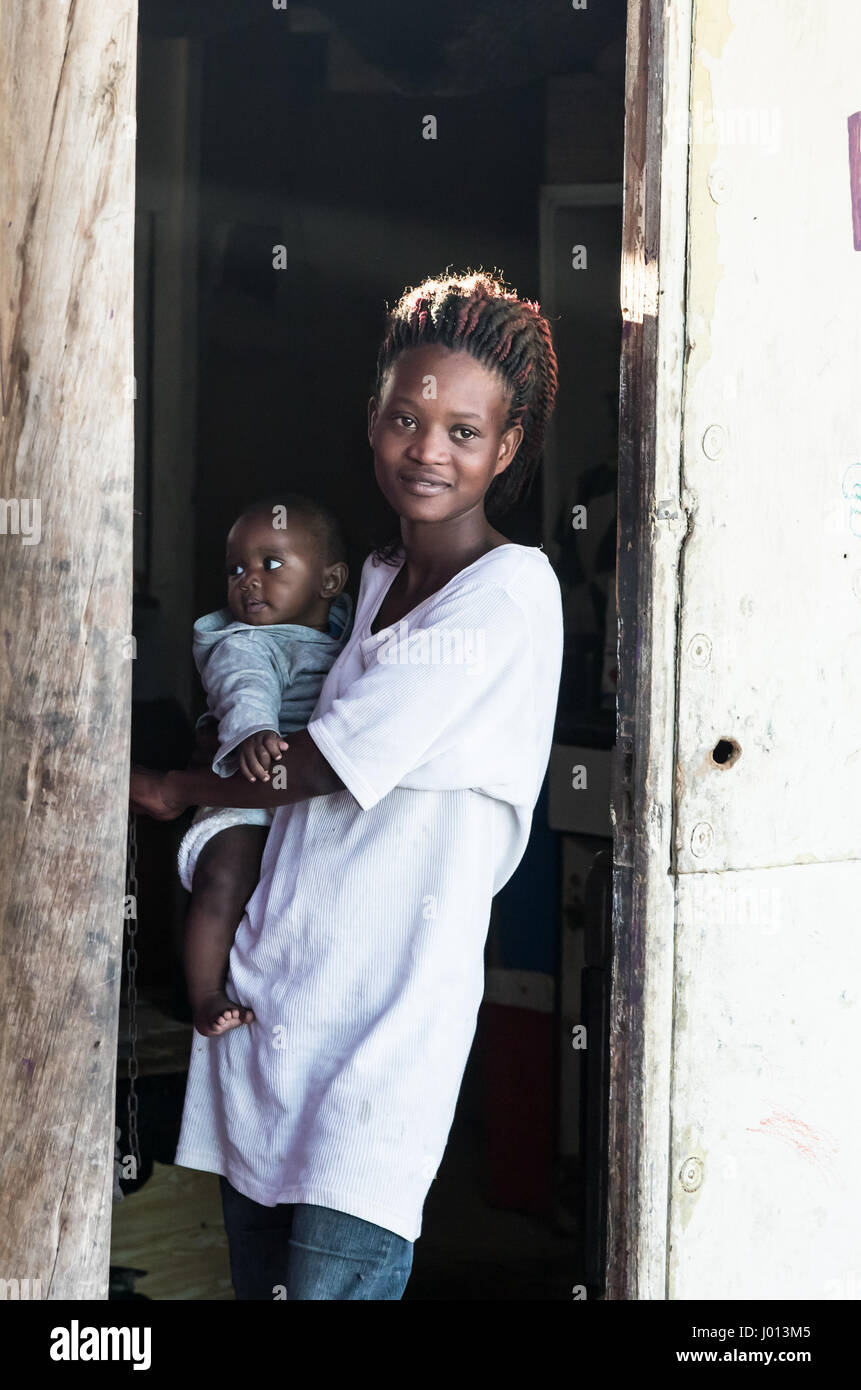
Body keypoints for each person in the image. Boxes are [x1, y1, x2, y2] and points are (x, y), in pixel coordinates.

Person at [130, 270, 564, 1301]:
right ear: (373, 420)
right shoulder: (365, 581)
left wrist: (175, 787)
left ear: (505, 451)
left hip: (382, 1035)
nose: (429, 448)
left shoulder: (512, 593)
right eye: (408, 418)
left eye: (465, 431)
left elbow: (328, 762)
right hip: (275, 995)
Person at [177, 494, 351, 1038]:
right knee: (226, 873)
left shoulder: (346, 632)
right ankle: (204, 994)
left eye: (271, 565)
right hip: (246, 798)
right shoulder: (246, 642)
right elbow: (243, 686)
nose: (248, 581)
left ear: (329, 583)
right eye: (236, 569)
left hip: (303, 807)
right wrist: (253, 729)